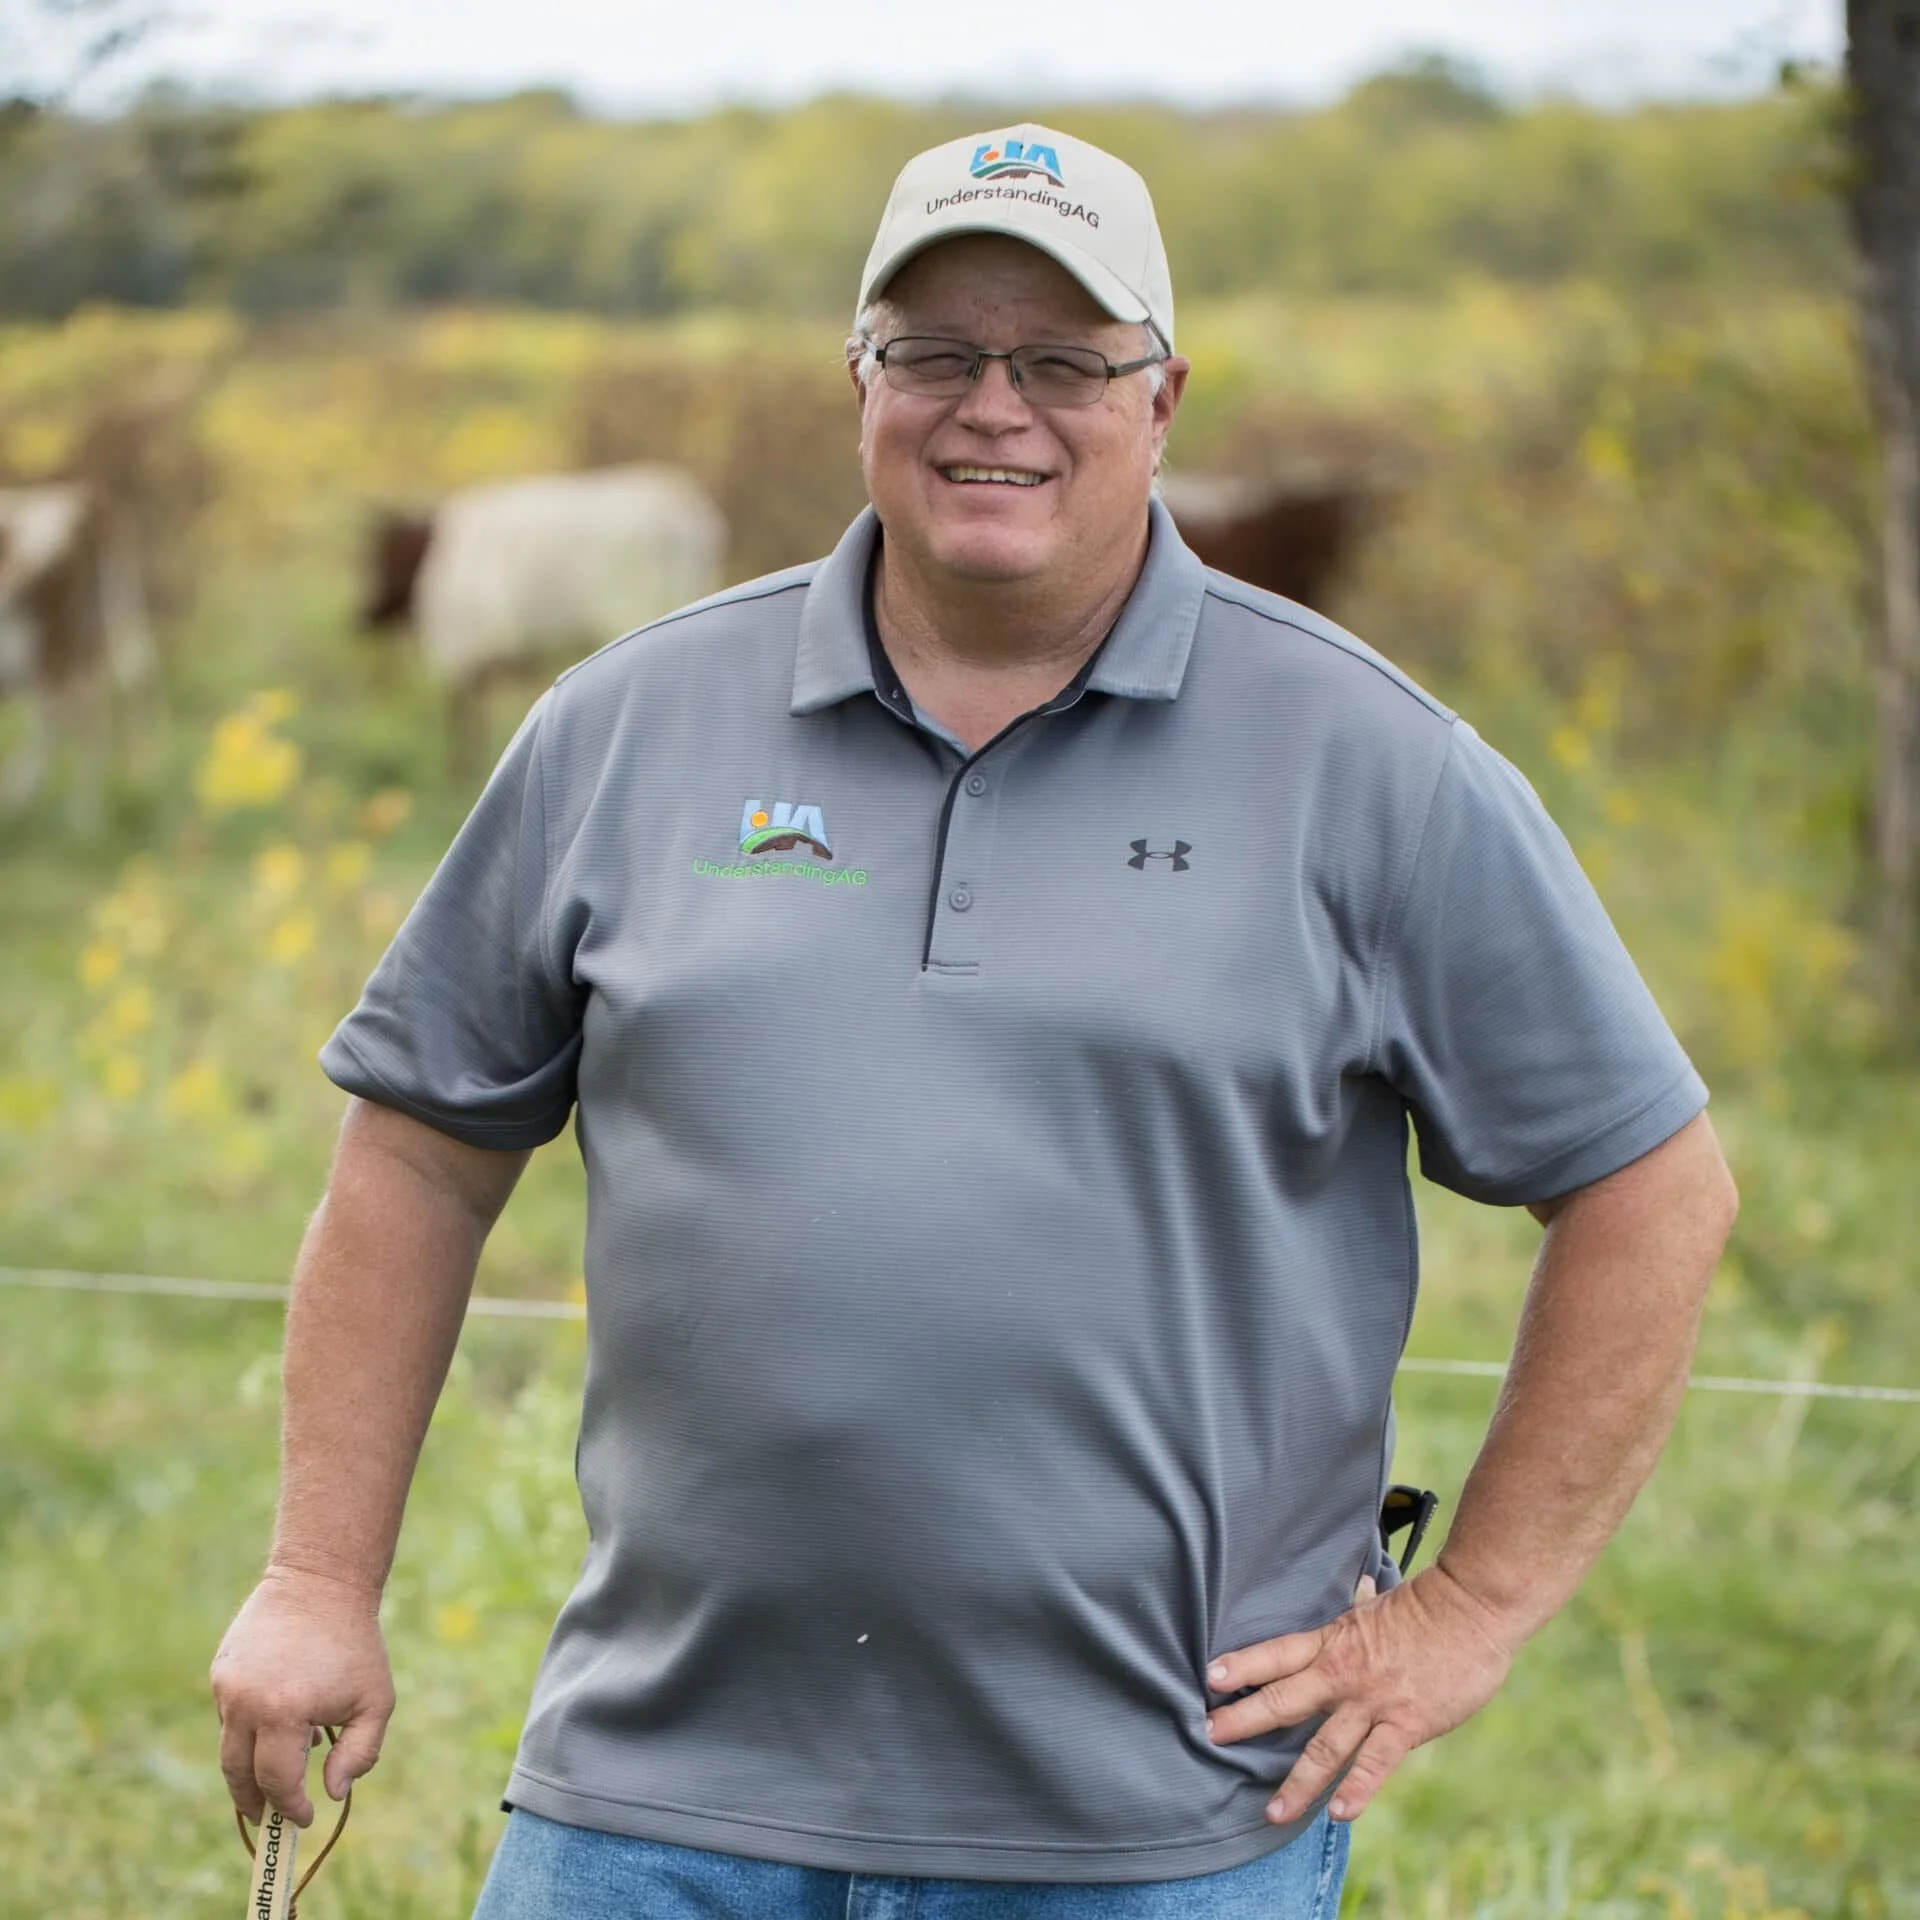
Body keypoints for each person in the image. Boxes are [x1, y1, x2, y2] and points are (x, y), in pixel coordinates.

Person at [210, 122, 1738, 1918]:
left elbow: (1651, 1185)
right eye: (934, 351)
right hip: (652, 1807)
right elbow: (416, 1154)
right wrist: (316, 1581)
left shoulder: (1369, 763)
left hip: (1153, 1832)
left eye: (1063, 360)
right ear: (860, 379)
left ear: (1162, 397)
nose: (992, 407)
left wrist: (1469, 1611)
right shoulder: (628, 726)